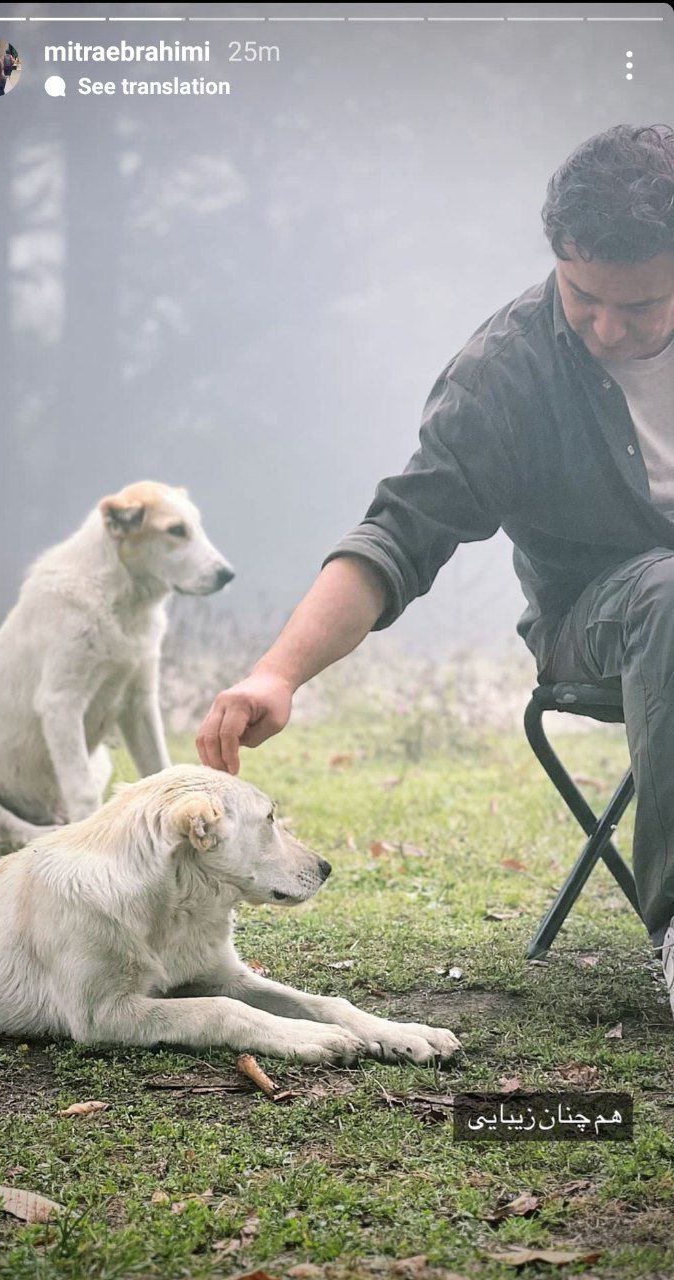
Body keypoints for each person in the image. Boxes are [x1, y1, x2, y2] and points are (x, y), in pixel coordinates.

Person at [197, 123, 674, 1012]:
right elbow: (398, 534)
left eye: (639, 307)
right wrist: (276, 673)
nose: (604, 327)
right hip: (611, 623)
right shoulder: (508, 371)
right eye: (582, 296)